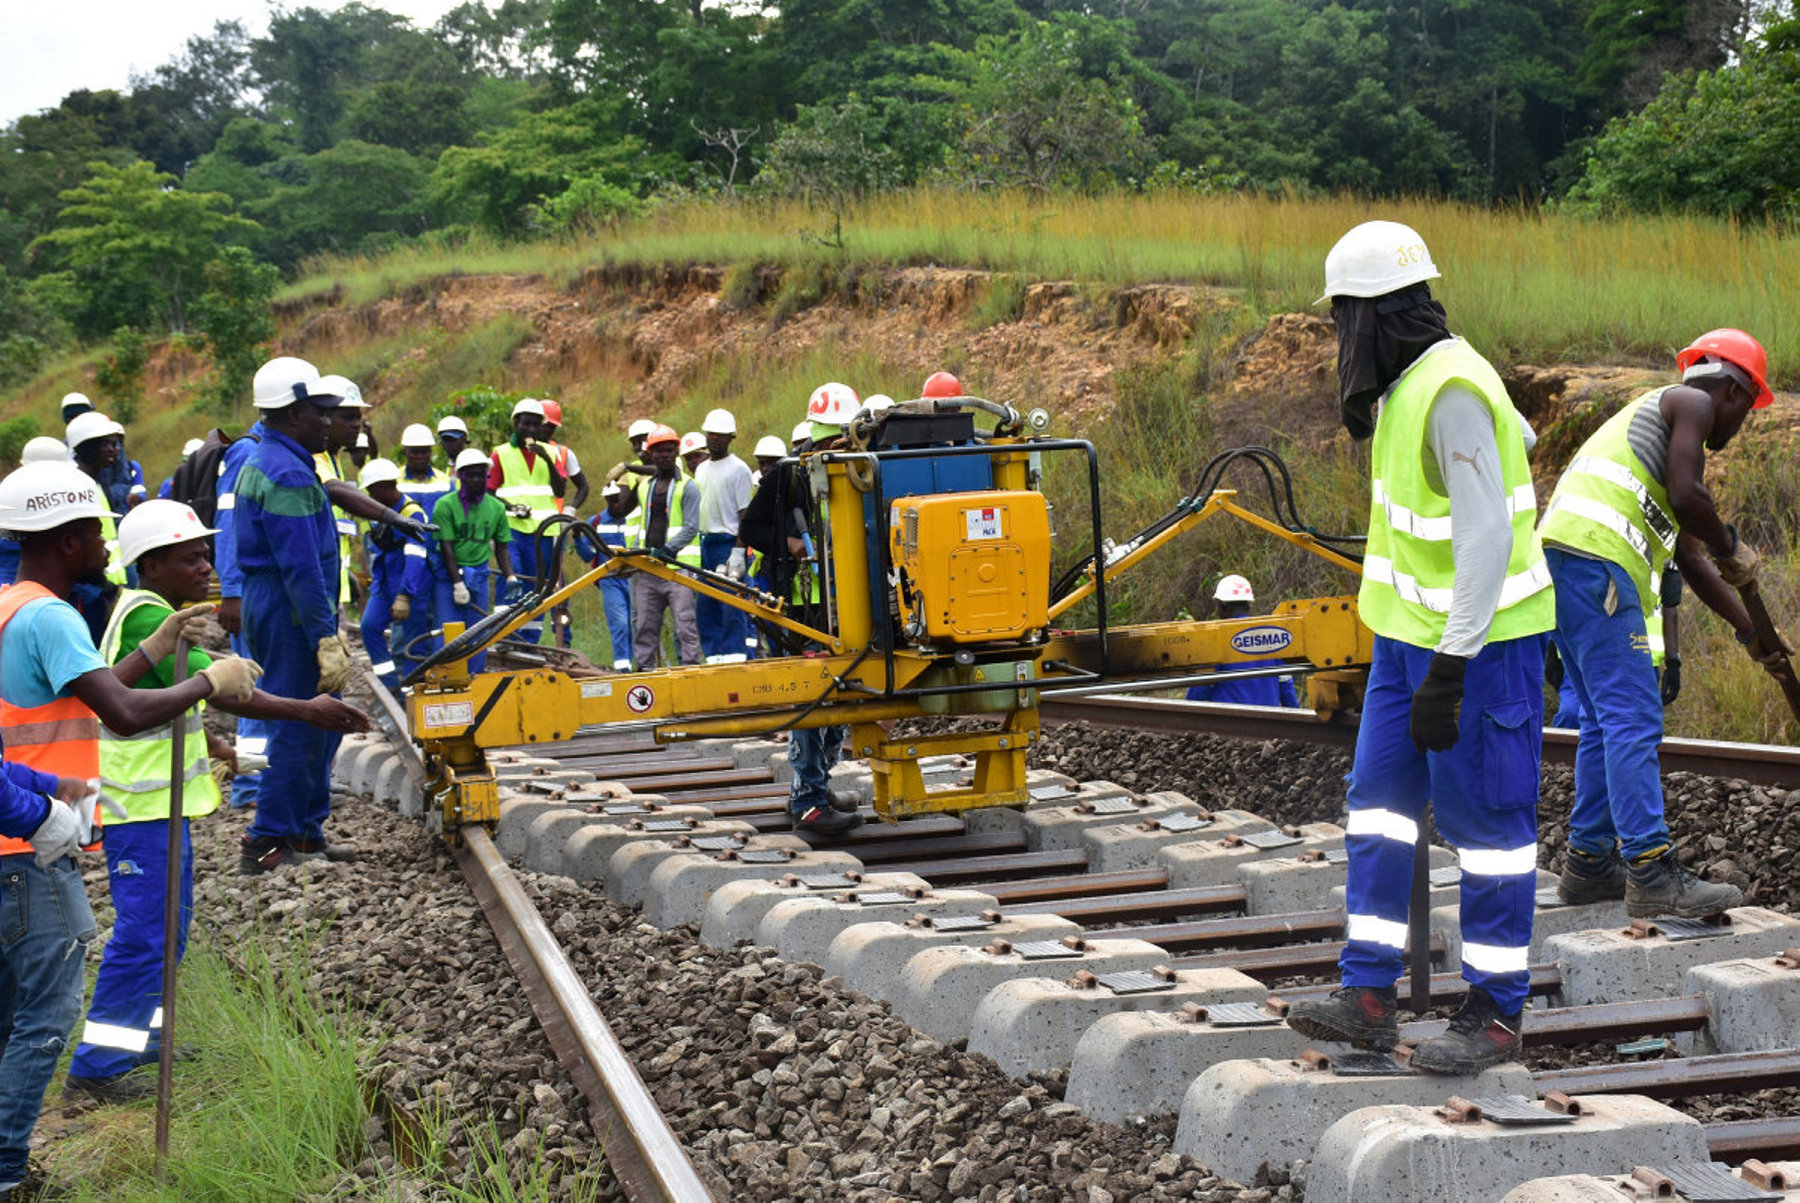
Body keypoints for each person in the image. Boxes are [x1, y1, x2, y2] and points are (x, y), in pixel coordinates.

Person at [1284, 221, 1553, 1073]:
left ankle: (1495, 1013)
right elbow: (1522, 447)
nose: (1338, 343)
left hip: (1476, 651)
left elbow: (1484, 540)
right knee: (1379, 809)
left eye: (1340, 324)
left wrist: (1451, 665)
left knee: (1489, 829)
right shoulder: (1420, 383)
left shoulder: (1452, 389)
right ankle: (1368, 994)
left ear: (1368, 317)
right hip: (1410, 648)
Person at [0, 460, 260, 1178]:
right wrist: (211, 681)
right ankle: (14, 1161)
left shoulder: (11, 603)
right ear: (68, 540)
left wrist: (160, 648)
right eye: (95, 530)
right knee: (46, 1015)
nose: (103, 543)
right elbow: (120, 709)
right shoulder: (51, 615)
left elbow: (103, 686)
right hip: (34, 830)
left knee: (16, 1008)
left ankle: (108, 1064)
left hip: (37, 813)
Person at [65, 501, 368, 1103]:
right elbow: (230, 689)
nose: (207, 564)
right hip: (139, 809)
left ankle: (142, 1044)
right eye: (191, 556)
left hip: (161, 807)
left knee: (169, 929)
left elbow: (175, 700)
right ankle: (98, 1068)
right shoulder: (145, 615)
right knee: (146, 933)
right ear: (150, 564)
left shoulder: (154, 612)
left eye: (206, 552)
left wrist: (218, 748)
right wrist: (307, 710)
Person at [1540, 329, 1780, 916]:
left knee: (1602, 720)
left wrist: (1752, 636)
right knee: (1631, 715)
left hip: (1567, 563)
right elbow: (1690, 497)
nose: (1738, 424)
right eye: (1745, 410)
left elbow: (1692, 560)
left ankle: (1589, 863)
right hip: (1598, 564)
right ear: (1729, 389)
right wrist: (1731, 541)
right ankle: (1651, 870)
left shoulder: (1652, 431)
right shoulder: (1690, 402)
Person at [233, 357, 357, 873]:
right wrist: (324, 635)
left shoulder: (282, 459)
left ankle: (306, 833)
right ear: (292, 414)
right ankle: (266, 842)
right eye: (319, 412)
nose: (329, 423)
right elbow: (300, 568)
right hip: (288, 607)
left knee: (319, 725)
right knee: (300, 724)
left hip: (283, 604)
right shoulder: (283, 472)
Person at [741, 382, 862, 836]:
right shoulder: (786, 476)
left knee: (841, 696)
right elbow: (750, 527)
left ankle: (812, 787)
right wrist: (789, 543)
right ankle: (810, 801)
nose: (839, 446)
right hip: (802, 606)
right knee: (814, 697)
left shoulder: (856, 469)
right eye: (834, 439)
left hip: (847, 603)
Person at [488, 399, 566, 643]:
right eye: (526, 424)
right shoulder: (500, 454)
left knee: (538, 585)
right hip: (511, 529)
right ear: (516, 424)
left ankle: (529, 642)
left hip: (543, 530)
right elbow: (489, 492)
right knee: (513, 578)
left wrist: (547, 459)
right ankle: (505, 636)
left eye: (535, 425)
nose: (530, 430)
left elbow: (560, 489)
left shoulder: (551, 453)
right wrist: (511, 507)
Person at [435, 448, 515, 674]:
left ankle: (473, 679)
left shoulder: (496, 508)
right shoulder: (446, 505)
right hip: (449, 576)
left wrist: (510, 576)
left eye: (480, 475)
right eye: (470, 475)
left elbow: (501, 546)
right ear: (461, 477)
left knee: (478, 633)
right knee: (448, 631)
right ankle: (445, 678)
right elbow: (446, 546)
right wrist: (457, 584)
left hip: (479, 575)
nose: (476, 480)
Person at [630, 425, 702, 668]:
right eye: (658, 451)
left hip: (677, 568)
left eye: (669, 450)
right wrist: (632, 555)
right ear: (650, 454)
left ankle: (691, 670)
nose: (664, 455)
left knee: (685, 624)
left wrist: (670, 549)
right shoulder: (644, 487)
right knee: (645, 626)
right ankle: (645, 672)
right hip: (647, 568)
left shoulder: (688, 486)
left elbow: (692, 527)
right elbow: (642, 526)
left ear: (676, 452)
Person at [357, 459, 432, 691]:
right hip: (384, 583)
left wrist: (405, 596)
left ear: (384, 487)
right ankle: (390, 686)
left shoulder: (413, 513)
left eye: (371, 490)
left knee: (414, 644)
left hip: (411, 586)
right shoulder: (377, 511)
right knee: (369, 626)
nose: (369, 495)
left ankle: (413, 692)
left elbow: (415, 557)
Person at [693, 408, 755, 664]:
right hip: (705, 542)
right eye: (710, 433)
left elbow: (745, 514)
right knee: (705, 604)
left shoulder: (739, 470)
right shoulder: (701, 469)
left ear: (731, 437)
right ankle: (714, 657)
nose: (714, 439)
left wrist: (738, 552)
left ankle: (734, 657)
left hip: (728, 542)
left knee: (731, 605)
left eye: (720, 434)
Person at [1185, 575, 1301, 707]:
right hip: (1268, 723)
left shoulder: (1218, 639)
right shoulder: (1272, 638)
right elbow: (1286, 688)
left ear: (1222, 607)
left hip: (1229, 723)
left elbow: (1200, 690)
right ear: (1248, 606)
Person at [64, 410, 130, 643]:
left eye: (115, 444)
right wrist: (103, 587)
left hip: (107, 585)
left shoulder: (97, 483)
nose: (115, 450)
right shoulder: (76, 487)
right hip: (92, 589)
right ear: (88, 447)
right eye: (107, 445)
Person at [585, 482, 638, 670]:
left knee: (637, 623)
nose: (616, 501)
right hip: (610, 580)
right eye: (612, 497)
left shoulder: (634, 520)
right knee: (621, 622)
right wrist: (577, 538)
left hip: (634, 578)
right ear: (606, 499)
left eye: (619, 497)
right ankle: (623, 666)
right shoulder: (596, 522)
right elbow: (587, 555)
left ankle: (640, 664)